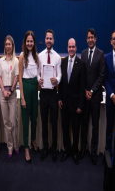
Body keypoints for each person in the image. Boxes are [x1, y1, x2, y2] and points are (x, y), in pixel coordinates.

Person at [58, 38, 85, 165]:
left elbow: (82, 87)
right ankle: (67, 150)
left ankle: (75, 151)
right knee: (65, 128)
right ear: (67, 48)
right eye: (69, 47)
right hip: (64, 103)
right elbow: (62, 85)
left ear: (76, 47)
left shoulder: (81, 64)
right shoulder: (63, 63)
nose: (71, 49)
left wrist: (80, 105)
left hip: (75, 105)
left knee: (75, 130)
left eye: (73, 47)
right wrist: (59, 98)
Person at [80, 28, 105, 165]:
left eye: (92, 37)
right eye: (88, 37)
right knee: (84, 124)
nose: (90, 39)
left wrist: (92, 90)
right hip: (85, 97)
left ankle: (93, 151)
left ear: (95, 39)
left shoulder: (101, 54)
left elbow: (101, 75)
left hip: (95, 97)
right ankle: (83, 148)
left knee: (95, 126)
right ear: (87, 39)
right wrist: (85, 90)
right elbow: (82, 75)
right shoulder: (83, 54)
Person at [38, 29, 62, 162]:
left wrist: (56, 80)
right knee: (44, 123)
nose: (48, 40)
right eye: (46, 38)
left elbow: (59, 74)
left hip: (53, 93)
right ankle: (45, 148)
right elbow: (37, 73)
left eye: (50, 38)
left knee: (54, 122)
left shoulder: (57, 57)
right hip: (43, 93)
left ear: (53, 40)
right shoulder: (40, 56)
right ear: (45, 39)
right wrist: (38, 79)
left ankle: (54, 149)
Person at [0, 35, 19, 158]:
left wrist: (10, 90)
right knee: (6, 123)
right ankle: (9, 147)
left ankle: (16, 145)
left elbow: (16, 76)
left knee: (13, 122)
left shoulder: (16, 60)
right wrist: (3, 91)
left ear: (12, 45)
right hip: (3, 94)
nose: (8, 46)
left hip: (12, 93)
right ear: (4, 46)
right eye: (6, 44)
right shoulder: (1, 60)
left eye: (10, 44)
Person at [19, 31, 39, 163]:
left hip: (34, 87)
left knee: (35, 117)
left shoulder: (37, 56)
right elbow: (20, 78)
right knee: (26, 120)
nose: (30, 43)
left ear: (34, 43)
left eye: (32, 41)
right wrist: (22, 97)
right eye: (28, 41)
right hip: (25, 87)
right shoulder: (21, 56)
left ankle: (33, 140)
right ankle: (26, 148)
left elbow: (39, 74)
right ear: (25, 42)